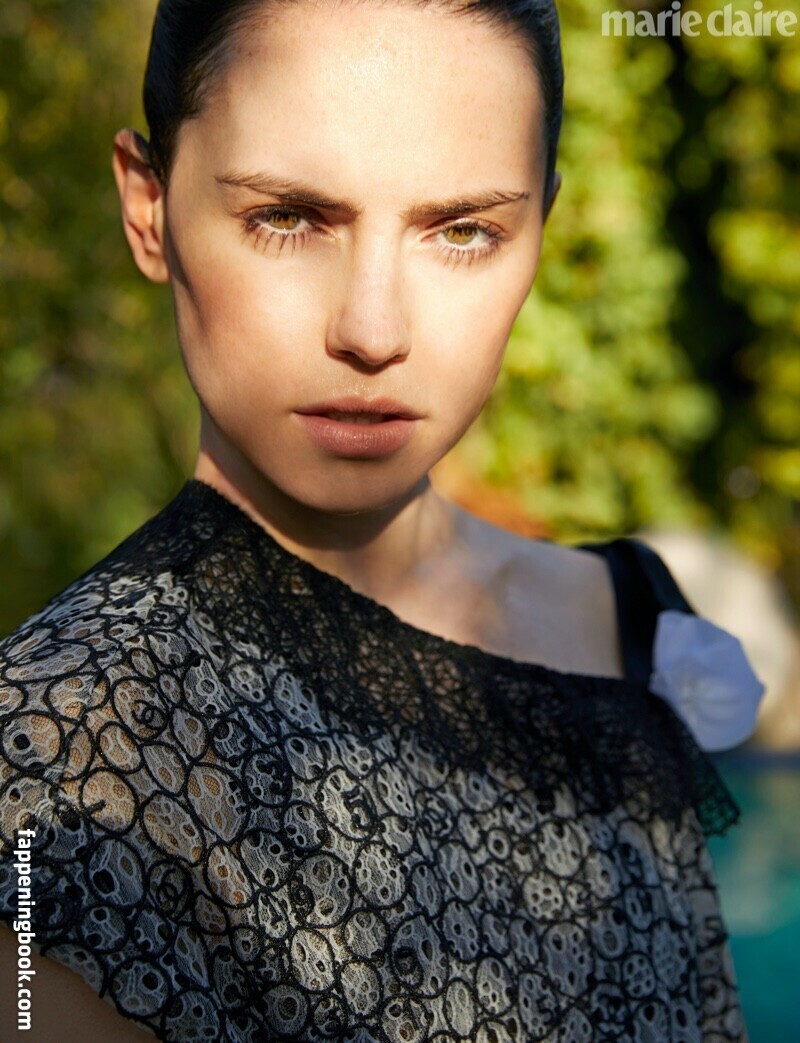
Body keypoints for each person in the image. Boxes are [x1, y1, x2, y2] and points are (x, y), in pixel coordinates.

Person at [0, 0, 763, 1040]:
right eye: (287, 216)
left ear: (541, 229)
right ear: (148, 208)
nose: (373, 330)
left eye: (463, 230)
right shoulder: (56, 749)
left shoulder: (623, 610)